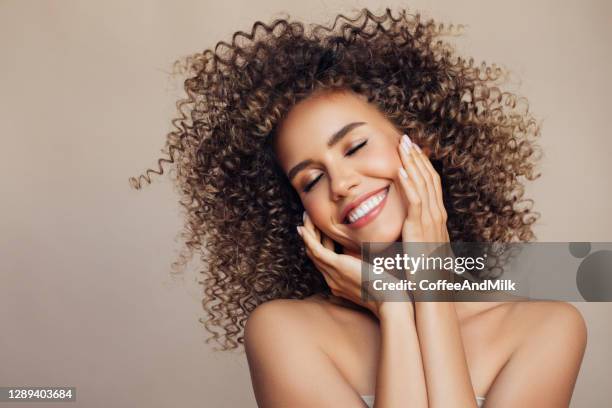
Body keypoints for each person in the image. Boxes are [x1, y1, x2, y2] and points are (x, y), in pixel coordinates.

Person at [131, 8, 587, 407]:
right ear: (298, 210)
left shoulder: (547, 328)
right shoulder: (283, 332)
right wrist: (392, 307)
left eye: (355, 146)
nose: (343, 183)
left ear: (420, 141)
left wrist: (429, 291)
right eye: (311, 179)